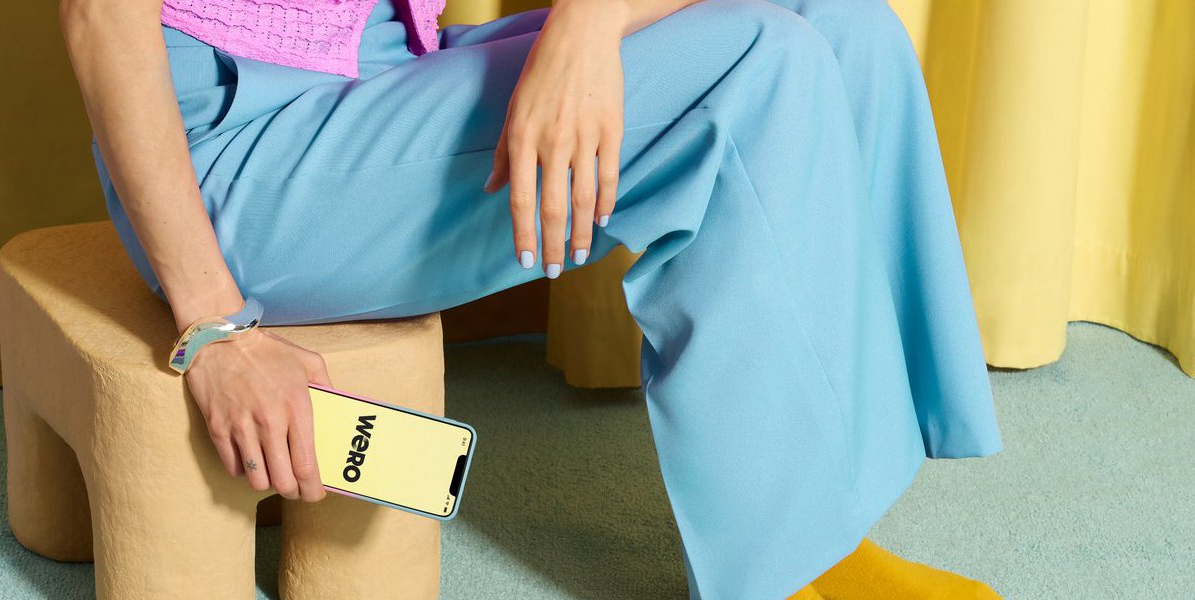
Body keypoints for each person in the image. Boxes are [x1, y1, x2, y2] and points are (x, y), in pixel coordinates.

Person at [59, 0, 1005, 597]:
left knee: (839, 20)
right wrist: (214, 327)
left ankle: (835, 527)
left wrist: (588, 28)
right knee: (762, 60)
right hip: (237, 148)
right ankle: (785, 574)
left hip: (386, 72)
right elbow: (99, 17)